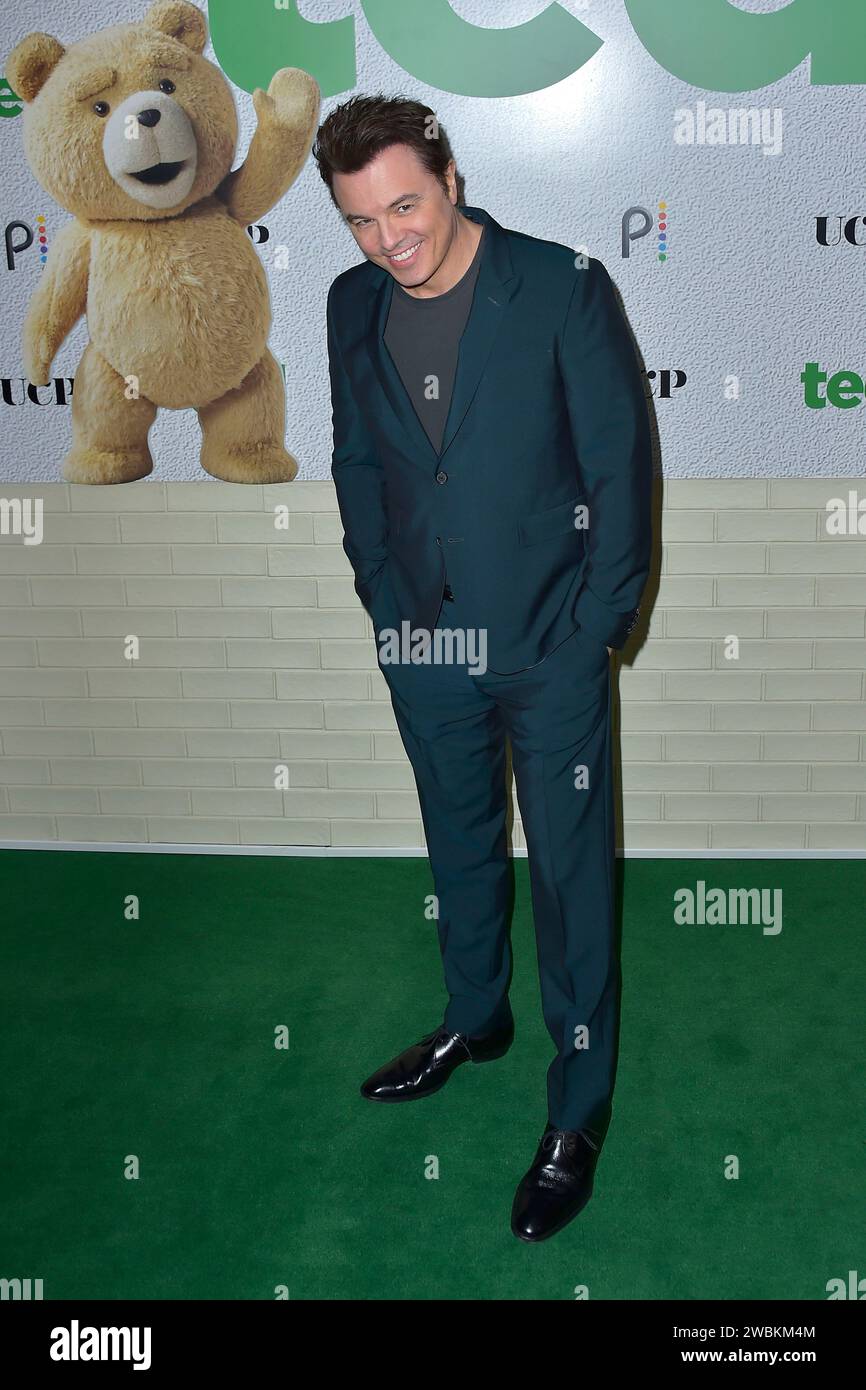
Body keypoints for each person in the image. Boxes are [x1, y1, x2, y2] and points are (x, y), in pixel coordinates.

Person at [314, 94, 652, 1242]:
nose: (388, 239)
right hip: (426, 645)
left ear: (450, 179)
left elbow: (617, 469)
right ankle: (475, 1016)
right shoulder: (349, 302)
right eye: (361, 220)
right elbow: (358, 462)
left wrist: (595, 626)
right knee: (456, 844)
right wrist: (381, 598)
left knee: (568, 880)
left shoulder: (559, 286)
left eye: (404, 206)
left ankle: (577, 1105)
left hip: (550, 643)